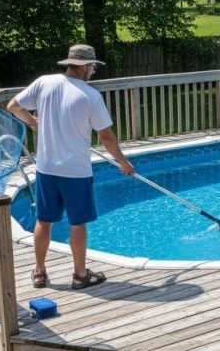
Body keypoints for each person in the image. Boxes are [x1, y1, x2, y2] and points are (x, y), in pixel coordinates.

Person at [7, 44, 134, 290]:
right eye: (93, 67)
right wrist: (123, 162)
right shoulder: (90, 96)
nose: (94, 71)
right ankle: (80, 275)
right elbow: (106, 136)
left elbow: (13, 106)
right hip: (75, 172)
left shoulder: (44, 83)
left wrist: (32, 121)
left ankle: (40, 272)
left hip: (46, 168)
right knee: (77, 223)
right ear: (84, 66)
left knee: (44, 220)